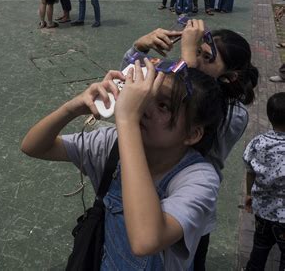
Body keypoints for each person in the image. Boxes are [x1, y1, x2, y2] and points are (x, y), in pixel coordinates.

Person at [22, 59, 230, 269]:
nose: (144, 108)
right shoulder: (112, 143)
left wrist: (127, 120)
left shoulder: (199, 179)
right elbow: (33, 147)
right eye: (147, 97)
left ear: (192, 134)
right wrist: (72, 108)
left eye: (163, 105)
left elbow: (145, 240)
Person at [122, 21, 259, 270]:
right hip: (146, 188)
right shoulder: (179, 75)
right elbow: (131, 87)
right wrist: (138, 49)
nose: (196, 59)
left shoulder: (234, 115)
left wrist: (187, 61)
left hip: (184, 200)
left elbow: (194, 144)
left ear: (230, 76)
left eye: (206, 57)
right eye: (196, 51)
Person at [243, 92, 285, 271]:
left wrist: (248, 194)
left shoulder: (257, 142)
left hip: (262, 211)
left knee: (259, 248)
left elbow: (250, 172)